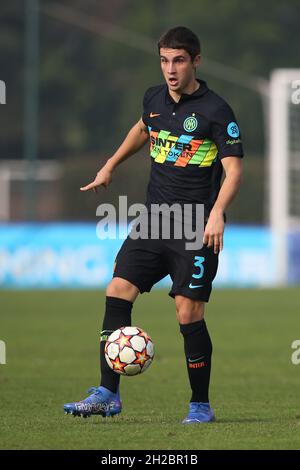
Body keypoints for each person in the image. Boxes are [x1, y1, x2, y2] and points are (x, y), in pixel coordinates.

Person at [63, 26, 243, 424]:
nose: (170, 69)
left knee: (188, 313)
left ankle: (200, 406)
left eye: (179, 60)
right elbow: (143, 129)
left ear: (196, 60)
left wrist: (216, 214)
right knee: (118, 290)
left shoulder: (216, 110)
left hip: (196, 226)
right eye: (164, 60)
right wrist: (110, 165)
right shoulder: (154, 98)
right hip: (153, 221)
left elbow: (233, 171)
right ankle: (108, 393)